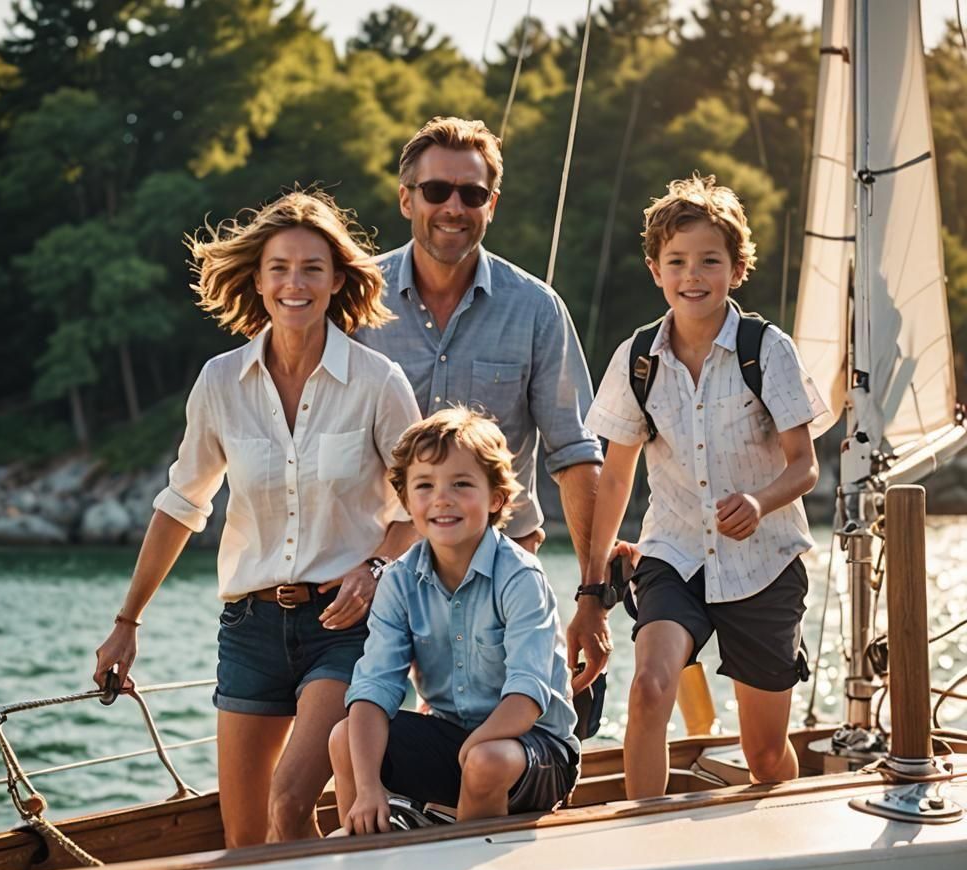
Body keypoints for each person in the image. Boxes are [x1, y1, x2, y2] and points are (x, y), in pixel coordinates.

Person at [93, 190, 421, 847]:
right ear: (258, 279)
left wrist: (376, 567)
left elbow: (422, 509)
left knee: (290, 795)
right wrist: (126, 624)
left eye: (310, 268)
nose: (293, 283)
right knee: (245, 841)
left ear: (336, 282)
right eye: (279, 268)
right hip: (248, 627)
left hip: (346, 625)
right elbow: (181, 504)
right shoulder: (220, 382)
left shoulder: (378, 381)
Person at [569, 174, 826, 799]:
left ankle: (779, 842)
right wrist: (592, 588)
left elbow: (805, 465)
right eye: (677, 261)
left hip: (764, 564)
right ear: (656, 269)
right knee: (650, 685)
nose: (693, 275)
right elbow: (619, 476)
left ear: (737, 269)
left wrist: (761, 502)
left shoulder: (768, 350)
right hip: (673, 555)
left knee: (765, 755)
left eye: (710, 260)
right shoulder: (638, 360)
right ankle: (646, 848)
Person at [354, 118, 603, 597]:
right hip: (382, 576)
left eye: (471, 194)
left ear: (491, 204)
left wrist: (593, 592)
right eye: (436, 190)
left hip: (503, 575)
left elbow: (574, 453)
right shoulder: (357, 299)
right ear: (406, 198)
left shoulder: (537, 309)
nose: (453, 207)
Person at [329, 408, 581, 833]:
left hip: (537, 750)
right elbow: (374, 687)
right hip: (456, 738)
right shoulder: (399, 580)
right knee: (344, 738)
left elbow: (527, 695)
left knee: (484, 761)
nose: (442, 499)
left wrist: (477, 746)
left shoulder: (520, 576)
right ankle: (366, 863)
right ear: (407, 502)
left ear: (496, 498)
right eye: (424, 486)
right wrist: (370, 784)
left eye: (461, 485)